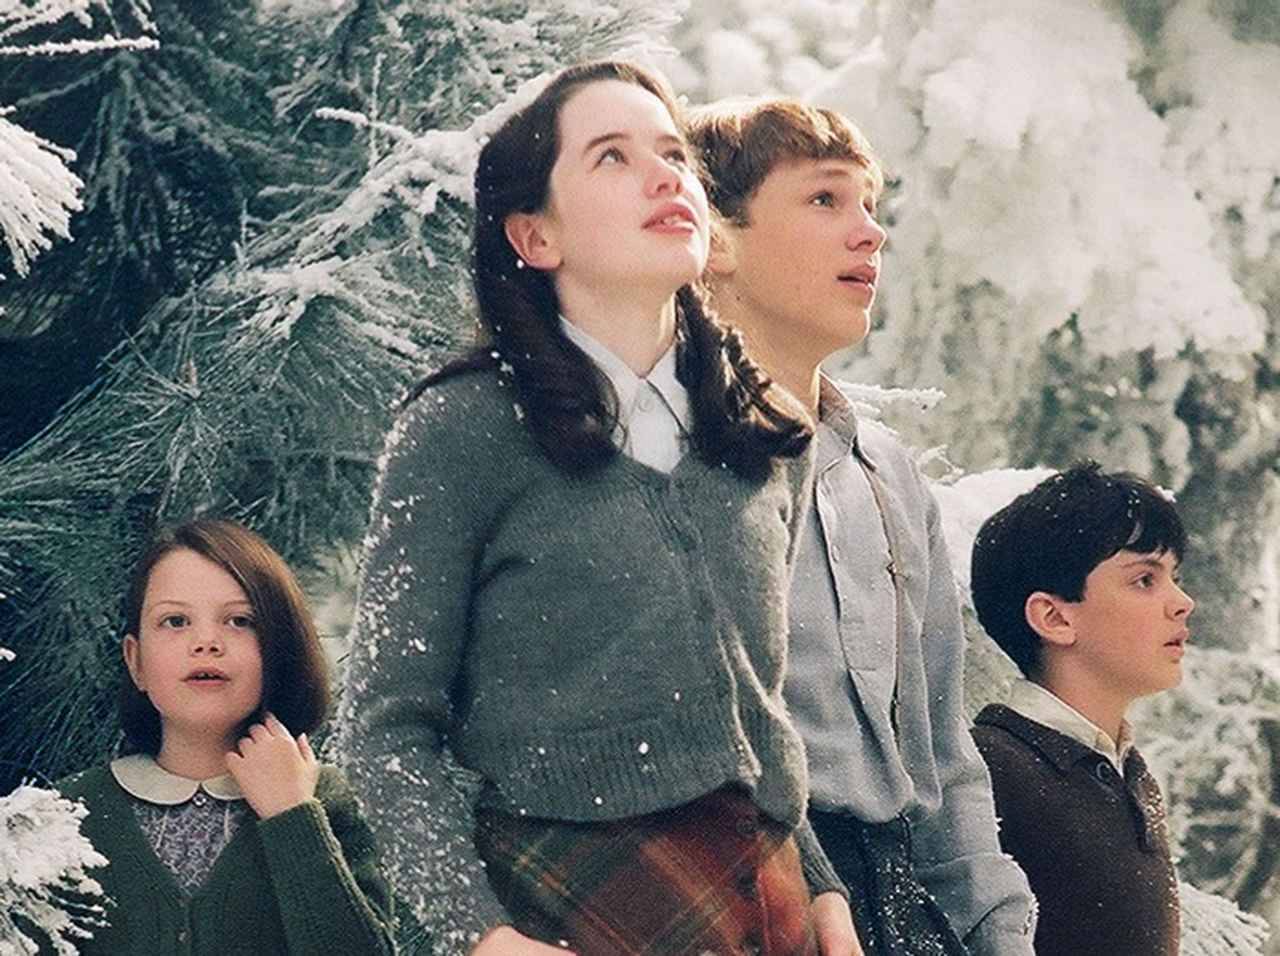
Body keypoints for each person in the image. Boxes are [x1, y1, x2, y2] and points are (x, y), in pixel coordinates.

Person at [337, 59, 863, 956]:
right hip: (567, 911)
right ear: (535, 235)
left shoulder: (765, 431)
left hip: (775, 911)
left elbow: (756, 711)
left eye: (673, 154)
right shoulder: (459, 429)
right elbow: (384, 732)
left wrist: (824, 897)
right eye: (612, 156)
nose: (666, 176)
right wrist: (479, 936)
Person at [688, 98, 1037, 955]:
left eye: (871, 205)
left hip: (896, 900)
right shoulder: (668, 456)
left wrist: (997, 930)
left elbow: (942, 753)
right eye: (825, 198)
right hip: (726, 890)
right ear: (716, 238)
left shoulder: (886, 474)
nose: (870, 232)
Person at [52, 518, 394, 956]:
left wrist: (293, 816)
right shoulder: (67, 814)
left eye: (239, 620)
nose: (207, 642)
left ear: (277, 651)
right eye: (175, 621)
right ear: (135, 662)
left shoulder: (329, 801)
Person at [969, 462, 1189, 956]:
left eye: (1175, 578)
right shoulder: (988, 770)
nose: (1182, 602)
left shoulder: (1129, 774)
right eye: (1144, 580)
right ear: (1054, 616)